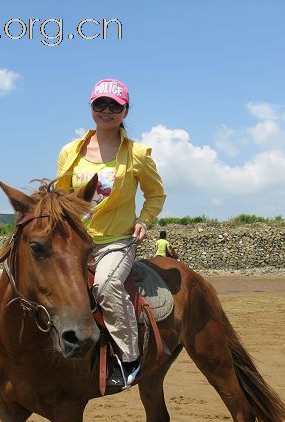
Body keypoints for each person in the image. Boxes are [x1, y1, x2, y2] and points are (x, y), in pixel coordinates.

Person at [56, 78, 166, 389]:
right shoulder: (70, 151)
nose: (106, 110)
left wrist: (144, 219)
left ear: (125, 111)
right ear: (91, 107)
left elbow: (156, 194)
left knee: (105, 286)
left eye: (114, 106)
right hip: (76, 242)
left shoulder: (138, 154)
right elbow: (62, 196)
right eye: (100, 104)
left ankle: (130, 357)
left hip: (116, 242)